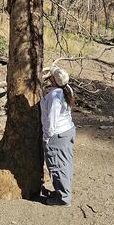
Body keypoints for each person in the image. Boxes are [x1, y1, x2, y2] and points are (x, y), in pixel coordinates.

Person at [40, 66, 76, 206]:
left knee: (57, 165)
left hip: (57, 135)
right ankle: (62, 191)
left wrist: (47, 137)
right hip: (67, 131)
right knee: (65, 163)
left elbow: (51, 120)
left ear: (54, 80)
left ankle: (63, 198)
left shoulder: (55, 96)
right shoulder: (66, 89)